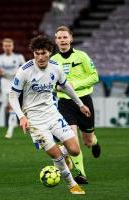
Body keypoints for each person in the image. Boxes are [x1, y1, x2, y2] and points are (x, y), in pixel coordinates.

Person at [9, 35, 91, 195]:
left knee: (74, 150)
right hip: (34, 120)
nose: (40, 57)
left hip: (53, 115)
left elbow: (66, 86)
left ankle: (61, 150)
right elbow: (12, 95)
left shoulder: (56, 67)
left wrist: (80, 105)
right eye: (37, 53)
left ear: (50, 52)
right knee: (56, 155)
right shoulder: (24, 71)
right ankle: (72, 184)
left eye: (44, 53)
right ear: (33, 53)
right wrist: (21, 116)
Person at [50, 25, 101, 184]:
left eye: (65, 37)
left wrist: (73, 85)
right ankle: (81, 174)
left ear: (70, 39)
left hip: (84, 101)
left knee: (87, 141)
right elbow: (49, 83)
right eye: (59, 38)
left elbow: (94, 77)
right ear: (56, 40)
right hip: (65, 103)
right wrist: (58, 87)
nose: (63, 40)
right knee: (71, 139)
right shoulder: (53, 61)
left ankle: (95, 142)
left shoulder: (82, 56)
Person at [0, 38, 25, 139]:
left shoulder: (19, 57)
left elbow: (25, 68)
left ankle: (9, 132)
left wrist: (19, 73)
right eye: (5, 46)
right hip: (4, 84)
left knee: (12, 107)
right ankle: (14, 121)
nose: (7, 48)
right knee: (7, 108)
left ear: (12, 46)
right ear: (3, 47)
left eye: (9, 46)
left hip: (15, 83)